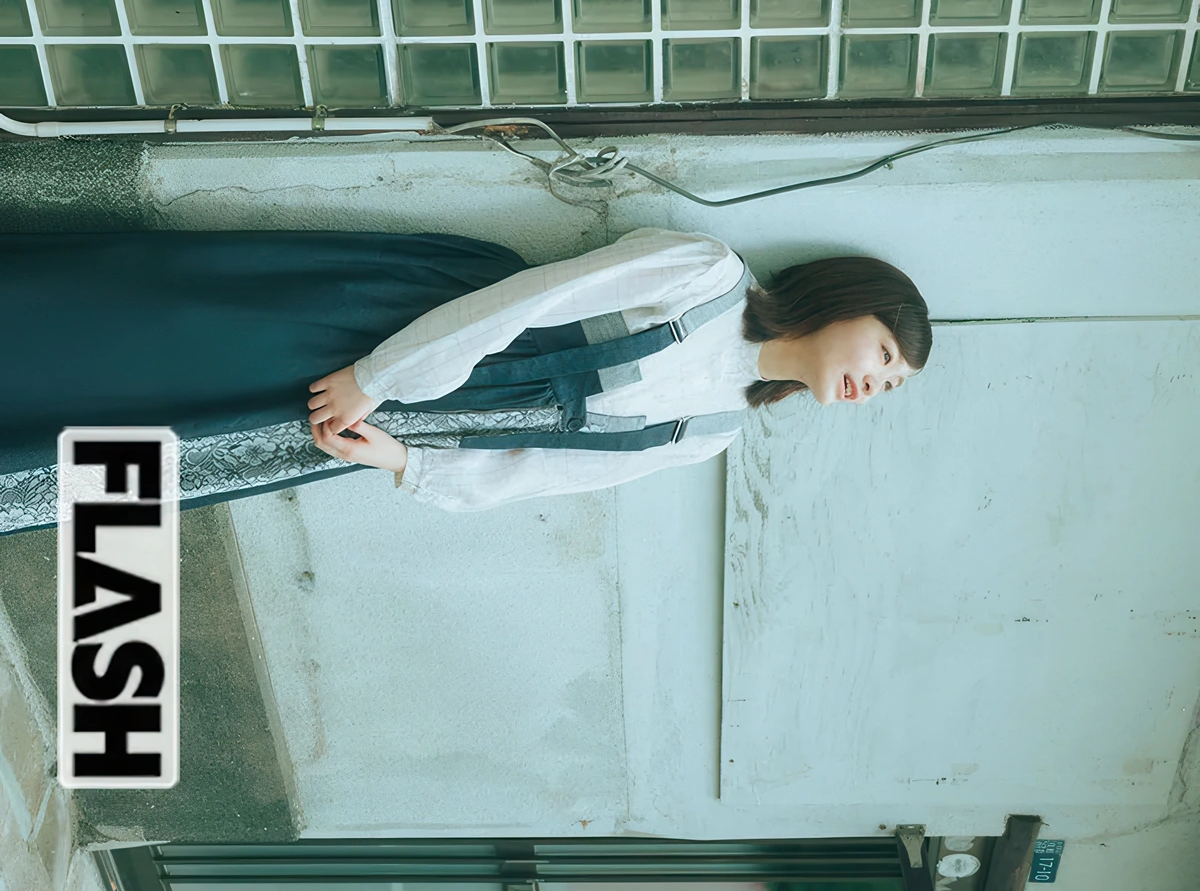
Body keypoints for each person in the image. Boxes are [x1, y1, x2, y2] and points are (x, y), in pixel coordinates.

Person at [0, 225, 929, 533]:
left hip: (393, 425)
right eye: (885, 354)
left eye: (890, 387)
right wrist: (377, 375)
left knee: (168, 451)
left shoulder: (711, 434)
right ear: (848, 303)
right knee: (156, 342)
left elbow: (551, 473)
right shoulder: (708, 275)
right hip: (387, 333)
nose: (875, 383)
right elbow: (534, 299)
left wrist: (405, 463)